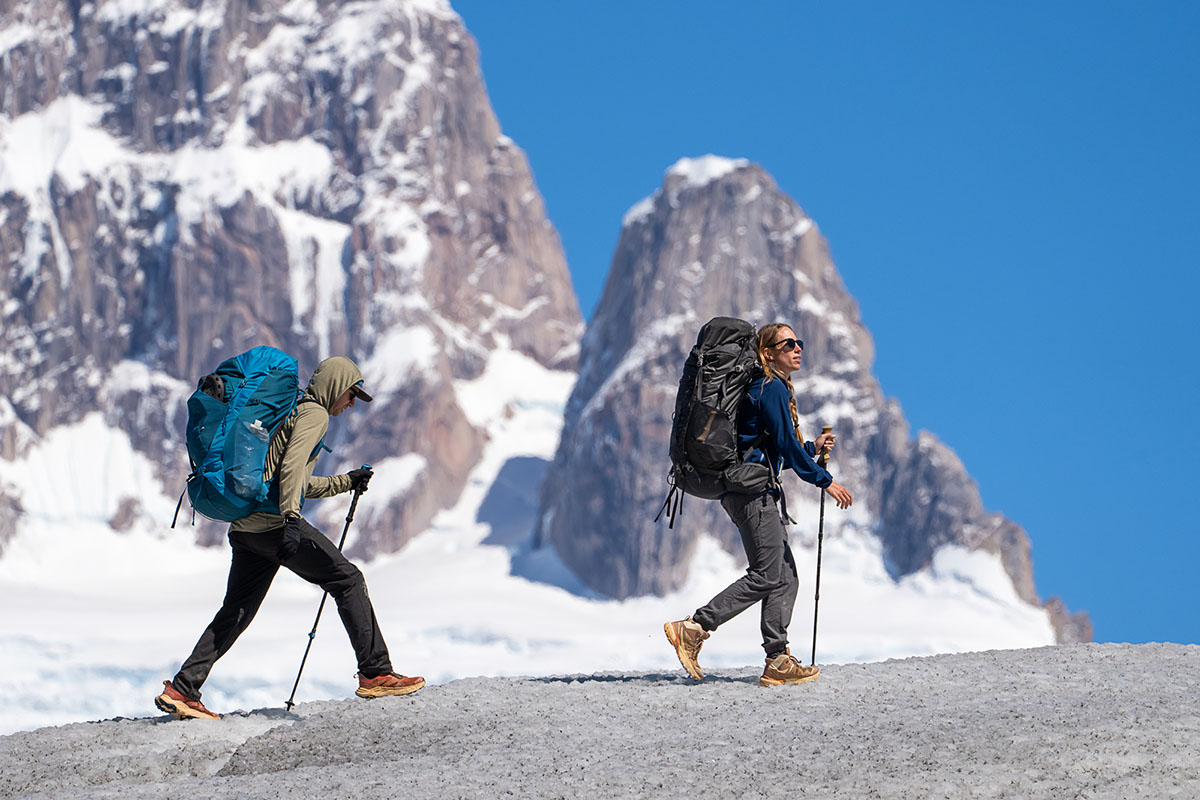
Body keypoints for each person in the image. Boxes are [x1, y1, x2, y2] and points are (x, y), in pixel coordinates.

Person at [155, 356, 424, 721]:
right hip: (275, 523)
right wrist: (292, 520)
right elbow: (295, 468)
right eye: (350, 396)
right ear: (335, 387)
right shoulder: (314, 414)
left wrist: (346, 481)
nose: (349, 406)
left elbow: (289, 479)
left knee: (237, 611)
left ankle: (183, 688)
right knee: (347, 579)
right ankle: (376, 672)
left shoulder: (293, 411)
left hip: (246, 529)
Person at [664, 323, 853, 687]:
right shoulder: (771, 389)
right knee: (768, 574)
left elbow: (774, 443)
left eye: (799, 342)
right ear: (767, 353)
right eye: (787, 344)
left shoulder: (766, 388)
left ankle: (777, 660)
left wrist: (811, 448)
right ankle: (695, 627)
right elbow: (785, 446)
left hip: (746, 488)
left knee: (785, 576)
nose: (797, 348)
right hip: (752, 492)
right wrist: (827, 482)